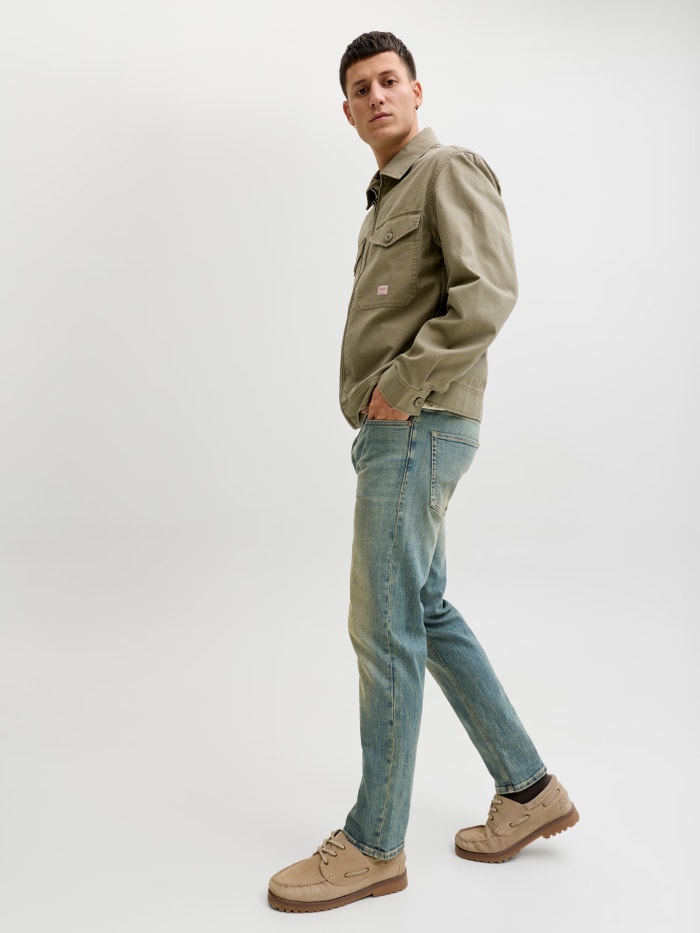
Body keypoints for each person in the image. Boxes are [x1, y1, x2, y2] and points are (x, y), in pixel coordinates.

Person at [267, 30, 578, 914]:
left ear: (416, 90)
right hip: (401, 430)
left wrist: (399, 391)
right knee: (424, 611)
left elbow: (489, 291)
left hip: (419, 424)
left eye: (388, 80)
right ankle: (528, 790)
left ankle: (374, 843)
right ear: (347, 111)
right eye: (360, 88)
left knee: (384, 627)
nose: (376, 96)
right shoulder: (383, 202)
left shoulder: (447, 170)